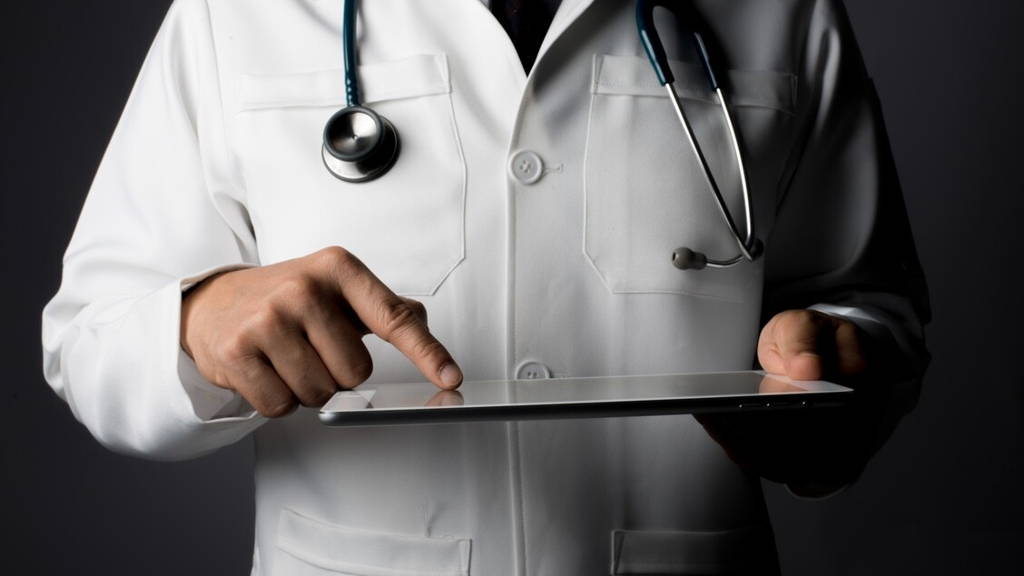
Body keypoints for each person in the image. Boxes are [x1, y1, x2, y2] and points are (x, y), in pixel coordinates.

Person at [42, 0, 929, 573]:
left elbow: (870, 303)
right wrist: (195, 326)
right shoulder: (233, 15)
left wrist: (840, 370)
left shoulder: (782, 10)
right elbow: (89, 340)